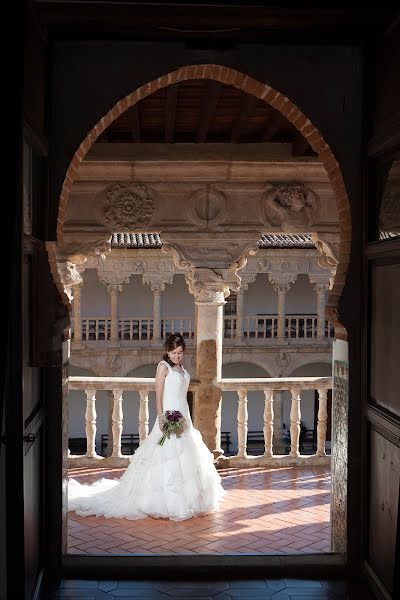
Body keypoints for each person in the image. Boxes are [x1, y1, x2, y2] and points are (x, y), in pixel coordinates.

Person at [68, 333, 225, 521]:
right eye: (174, 353)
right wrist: (161, 417)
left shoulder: (182, 368)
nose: (177, 356)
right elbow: (158, 395)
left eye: (180, 353)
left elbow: (182, 395)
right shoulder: (163, 367)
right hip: (168, 416)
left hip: (184, 418)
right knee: (164, 455)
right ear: (167, 351)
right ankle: (161, 502)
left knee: (188, 456)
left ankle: (190, 500)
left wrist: (184, 418)